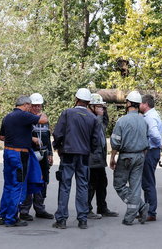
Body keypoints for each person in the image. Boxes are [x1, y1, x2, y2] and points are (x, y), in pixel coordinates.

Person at [52, 88, 100, 230]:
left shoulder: (67, 113)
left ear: (76, 99)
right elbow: (96, 140)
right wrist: (89, 150)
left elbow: (58, 132)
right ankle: (82, 219)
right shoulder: (93, 118)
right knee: (83, 186)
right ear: (88, 102)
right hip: (84, 156)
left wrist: (58, 146)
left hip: (68, 154)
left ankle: (61, 220)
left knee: (65, 186)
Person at [0, 96, 48, 227]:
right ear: (25, 105)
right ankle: (11, 218)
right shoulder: (24, 115)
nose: (32, 109)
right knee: (18, 186)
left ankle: (3, 214)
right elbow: (44, 120)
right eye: (30, 106)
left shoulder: (7, 117)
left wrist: (26, 137)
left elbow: (2, 137)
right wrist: (39, 113)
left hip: (8, 152)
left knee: (8, 185)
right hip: (20, 154)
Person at [109, 91, 150, 225]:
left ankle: (135, 212)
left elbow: (115, 142)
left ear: (128, 103)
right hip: (140, 156)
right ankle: (139, 209)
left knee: (119, 184)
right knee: (135, 186)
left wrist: (113, 157)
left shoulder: (122, 121)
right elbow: (147, 140)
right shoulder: (143, 121)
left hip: (126, 157)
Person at [19, 93, 54, 221]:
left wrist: (50, 153)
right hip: (30, 154)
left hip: (43, 154)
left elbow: (47, 137)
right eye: (35, 106)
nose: (37, 108)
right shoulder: (25, 119)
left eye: (39, 106)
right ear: (29, 106)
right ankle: (24, 210)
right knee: (29, 180)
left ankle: (40, 208)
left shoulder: (44, 120)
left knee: (43, 180)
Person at [87, 94, 119, 219]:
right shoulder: (90, 119)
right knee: (90, 185)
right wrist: (99, 116)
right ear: (92, 106)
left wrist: (102, 113)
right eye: (99, 106)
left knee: (102, 183)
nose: (102, 109)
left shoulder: (99, 118)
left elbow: (104, 123)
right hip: (91, 158)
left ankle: (102, 207)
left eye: (102, 106)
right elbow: (95, 132)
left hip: (99, 158)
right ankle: (87, 209)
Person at [139, 94, 162, 222]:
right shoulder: (153, 115)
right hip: (153, 151)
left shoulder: (149, 117)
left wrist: (158, 143)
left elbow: (154, 134)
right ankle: (147, 210)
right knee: (148, 182)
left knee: (148, 183)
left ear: (145, 104)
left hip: (150, 151)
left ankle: (151, 212)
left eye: (140, 104)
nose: (139, 106)